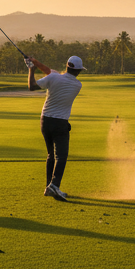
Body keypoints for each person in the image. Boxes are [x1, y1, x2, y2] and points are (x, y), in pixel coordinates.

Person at [27, 54, 84, 202]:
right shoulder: (77, 85)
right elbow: (50, 72)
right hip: (60, 123)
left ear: (66, 66)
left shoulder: (53, 78)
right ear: (78, 71)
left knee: (51, 155)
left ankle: (49, 187)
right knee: (62, 156)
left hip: (45, 121)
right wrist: (36, 62)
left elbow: (32, 86)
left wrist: (31, 69)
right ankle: (54, 185)